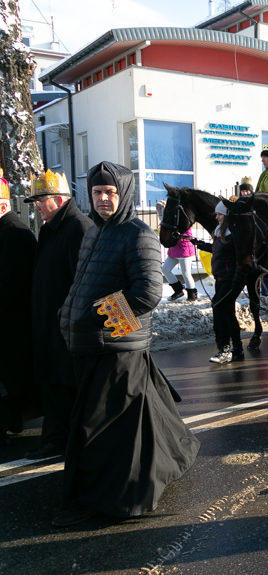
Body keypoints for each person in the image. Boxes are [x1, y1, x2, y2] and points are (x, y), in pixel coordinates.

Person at [55, 161, 199, 527]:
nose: (103, 199)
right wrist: (68, 312)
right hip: (91, 345)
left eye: (110, 193)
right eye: (97, 192)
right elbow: (86, 279)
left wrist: (95, 315)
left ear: (124, 195)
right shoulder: (94, 232)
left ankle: (107, 501)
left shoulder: (138, 234)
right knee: (140, 419)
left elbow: (150, 292)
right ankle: (170, 459)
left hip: (117, 349)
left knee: (100, 429)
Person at [24, 170, 94, 459]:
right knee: (52, 381)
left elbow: (84, 282)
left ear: (59, 199)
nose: (37, 206)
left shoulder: (78, 227)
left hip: (65, 325)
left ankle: (64, 439)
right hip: (47, 322)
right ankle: (56, 437)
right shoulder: (51, 227)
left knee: (65, 382)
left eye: (41, 200)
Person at [0, 170, 37, 440]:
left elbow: (13, 282)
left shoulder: (16, 232)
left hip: (13, 319)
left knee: (13, 373)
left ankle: (14, 418)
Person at [190, 201, 247, 364]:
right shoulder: (220, 231)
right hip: (221, 278)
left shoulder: (235, 234)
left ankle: (225, 349)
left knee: (218, 308)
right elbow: (219, 251)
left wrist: (237, 281)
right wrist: (202, 245)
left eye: (220, 214)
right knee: (228, 313)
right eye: (216, 214)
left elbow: (239, 259)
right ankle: (237, 349)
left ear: (227, 215)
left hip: (231, 280)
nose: (217, 217)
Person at [158, 203, 197, 302]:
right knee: (165, 269)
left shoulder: (184, 219)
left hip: (185, 249)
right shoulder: (170, 220)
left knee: (186, 273)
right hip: (174, 248)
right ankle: (178, 290)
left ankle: (192, 294)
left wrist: (179, 234)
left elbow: (188, 235)